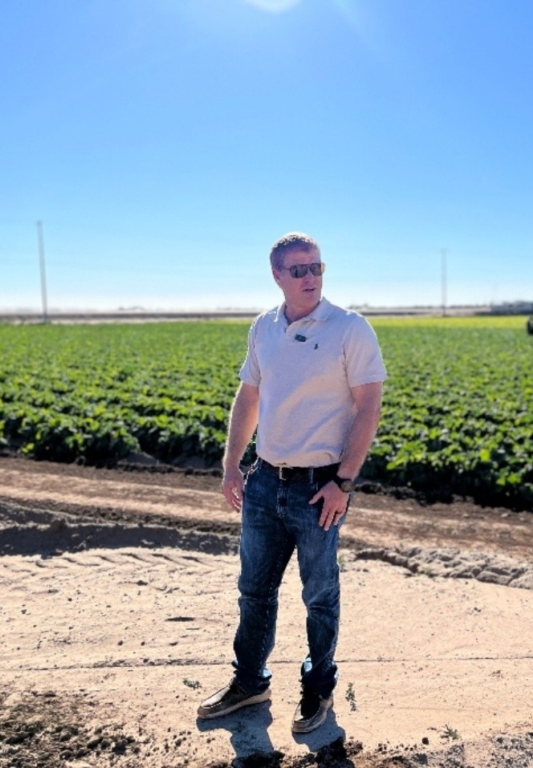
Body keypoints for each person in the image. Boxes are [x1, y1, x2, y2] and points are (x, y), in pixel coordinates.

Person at [197, 233, 386, 734]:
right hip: (264, 481)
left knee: (319, 595)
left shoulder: (349, 328)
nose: (310, 277)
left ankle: (318, 687)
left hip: (320, 487)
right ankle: (249, 682)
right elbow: (249, 397)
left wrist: (344, 482)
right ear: (277, 275)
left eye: (316, 267)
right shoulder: (264, 327)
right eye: (298, 270)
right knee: (254, 591)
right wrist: (232, 465)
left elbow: (369, 406)